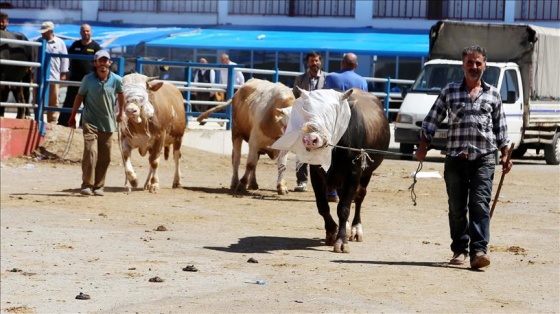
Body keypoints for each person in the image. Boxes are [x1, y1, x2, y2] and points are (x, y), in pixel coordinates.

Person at [415, 45, 513, 269]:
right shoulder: (449, 91)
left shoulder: (493, 94)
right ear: (463, 65)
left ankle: (479, 251)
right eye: (470, 62)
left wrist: (506, 155)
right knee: (457, 207)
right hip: (455, 158)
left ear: (485, 65)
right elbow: (432, 120)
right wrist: (423, 145)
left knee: (479, 203)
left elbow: (501, 129)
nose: (474, 67)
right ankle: (459, 249)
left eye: (478, 63)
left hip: (484, 158)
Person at [68, 50, 125, 197]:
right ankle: (87, 184)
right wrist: (73, 115)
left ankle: (99, 186)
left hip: (108, 123)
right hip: (90, 121)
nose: (103, 64)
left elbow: (121, 95)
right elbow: (79, 97)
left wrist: (121, 113)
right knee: (90, 152)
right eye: (100, 61)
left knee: (105, 157)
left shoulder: (117, 80)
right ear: (95, 63)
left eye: (105, 61)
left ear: (109, 63)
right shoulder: (88, 79)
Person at [321, 52, 368, 202]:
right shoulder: (362, 81)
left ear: (342, 63)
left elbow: (324, 99)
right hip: (355, 124)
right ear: (355, 66)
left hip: (334, 122)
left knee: (331, 155)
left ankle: (332, 191)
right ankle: (350, 190)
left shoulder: (330, 77)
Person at [292, 51, 327, 192]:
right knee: (301, 149)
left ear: (320, 62)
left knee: (322, 149)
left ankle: (323, 182)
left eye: (317, 61)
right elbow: (295, 97)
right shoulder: (300, 80)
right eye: (312, 61)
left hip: (322, 120)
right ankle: (302, 181)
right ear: (308, 63)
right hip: (304, 120)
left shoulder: (327, 78)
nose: (315, 63)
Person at [58, 24, 101, 126]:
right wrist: (66, 72)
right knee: (70, 101)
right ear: (80, 32)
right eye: (83, 31)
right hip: (75, 79)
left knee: (89, 103)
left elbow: (100, 62)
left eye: (87, 31)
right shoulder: (75, 45)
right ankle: (64, 122)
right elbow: (68, 58)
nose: (86, 33)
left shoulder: (96, 46)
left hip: (90, 80)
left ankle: (86, 123)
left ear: (91, 32)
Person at [0, 12, 32, 119]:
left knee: (20, 88)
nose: (1, 23)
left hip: (15, 69)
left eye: (3, 21)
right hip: (6, 71)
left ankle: (26, 111)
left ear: (7, 22)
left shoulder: (18, 37)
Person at [37, 21, 69, 124]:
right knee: (38, 98)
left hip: (54, 75)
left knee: (54, 100)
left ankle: (52, 121)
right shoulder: (38, 41)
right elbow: (35, 57)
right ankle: (38, 118)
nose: (42, 34)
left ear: (50, 31)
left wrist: (63, 73)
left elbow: (65, 59)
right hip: (39, 75)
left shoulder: (60, 43)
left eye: (44, 31)